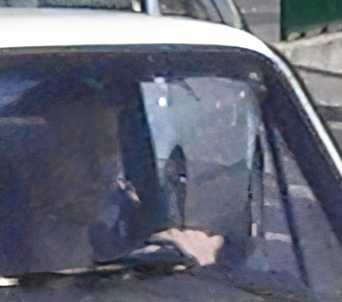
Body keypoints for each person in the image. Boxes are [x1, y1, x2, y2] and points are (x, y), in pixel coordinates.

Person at [12, 76, 223, 275]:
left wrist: (191, 258)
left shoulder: (125, 233)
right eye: (76, 150)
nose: (100, 169)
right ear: (29, 159)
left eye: (108, 148)